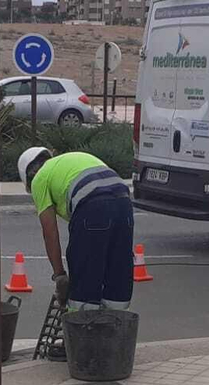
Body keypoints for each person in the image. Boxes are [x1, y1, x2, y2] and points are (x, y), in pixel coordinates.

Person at [17, 147, 134, 349]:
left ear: (29, 176)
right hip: (124, 203)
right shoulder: (71, 160)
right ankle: (112, 342)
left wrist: (59, 275)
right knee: (118, 272)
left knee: (84, 276)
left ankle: (81, 346)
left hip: (92, 207)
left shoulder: (40, 179)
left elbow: (50, 232)